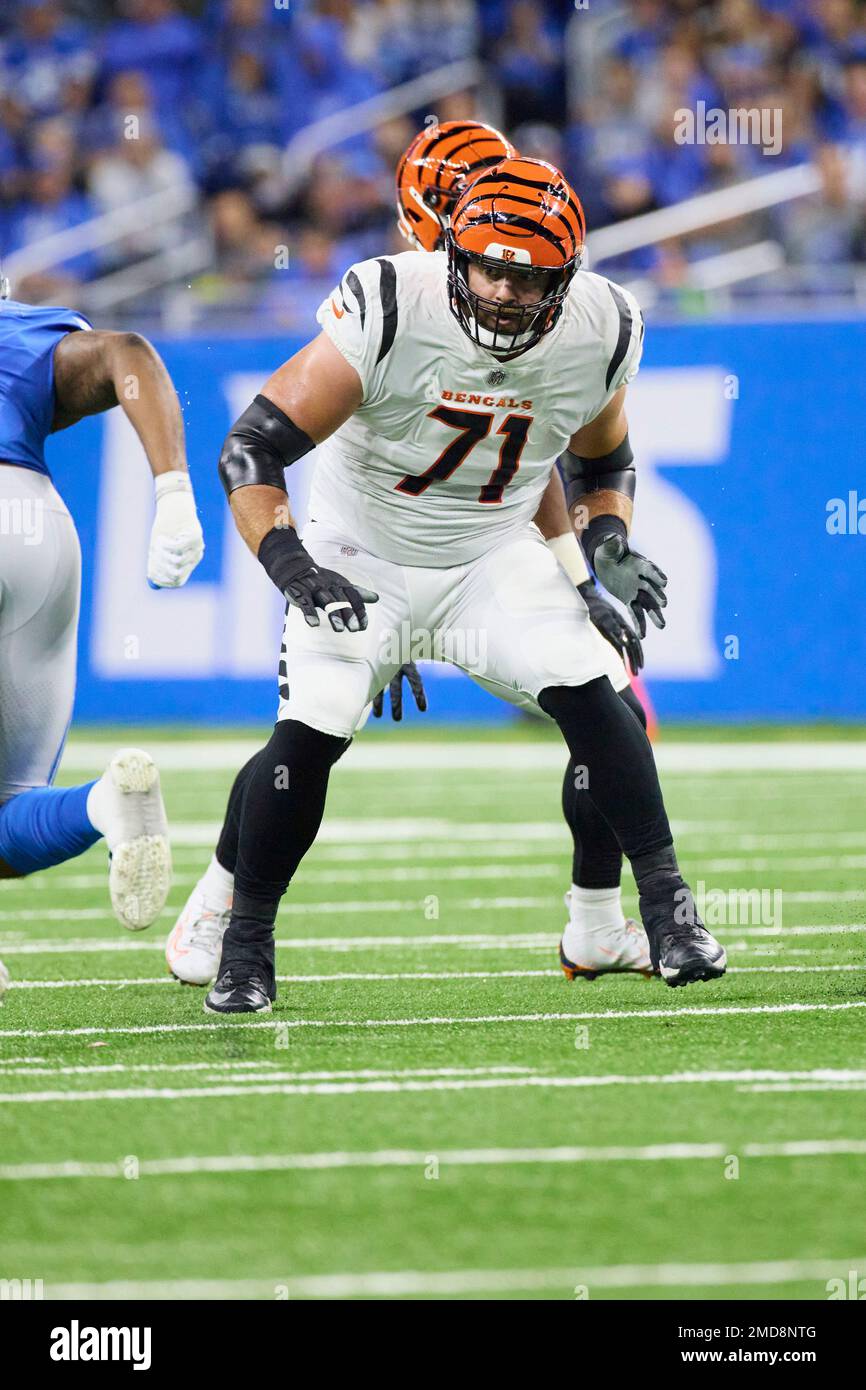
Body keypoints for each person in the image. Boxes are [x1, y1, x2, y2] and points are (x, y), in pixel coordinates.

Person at [201, 156, 726, 1013]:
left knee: (603, 696)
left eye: (535, 279)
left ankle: (666, 911)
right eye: (494, 269)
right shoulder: (390, 303)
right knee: (312, 731)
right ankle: (246, 946)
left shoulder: (601, 324)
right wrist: (293, 563)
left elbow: (604, 457)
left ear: (570, 278)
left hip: (490, 554)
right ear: (454, 256)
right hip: (363, 551)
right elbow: (250, 450)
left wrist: (609, 540)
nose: (511, 293)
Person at [0, 289, 205, 993]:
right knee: (7, 812)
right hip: (36, 528)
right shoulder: (22, 334)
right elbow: (131, 354)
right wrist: (173, 494)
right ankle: (102, 805)